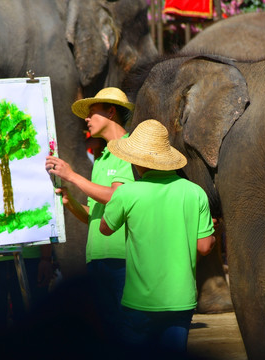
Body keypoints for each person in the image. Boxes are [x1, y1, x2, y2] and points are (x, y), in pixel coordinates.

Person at [99, 119, 216, 355]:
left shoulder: (126, 193)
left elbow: (105, 229)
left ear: (136, 160)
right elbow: (204, 246)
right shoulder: (195, 193)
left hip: (138, 303)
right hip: (180, 301)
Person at [45, 87, 135, 340]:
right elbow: (94, 215)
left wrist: (72, 176)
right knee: (107, 334)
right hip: (97, 259)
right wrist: (70, 201)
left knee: (123, 333)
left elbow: (118, 197)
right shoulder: (104, 156)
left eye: (92, 112)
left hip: (121, 259)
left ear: (111, 111)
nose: (86, 118)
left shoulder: (129, 149)